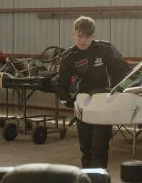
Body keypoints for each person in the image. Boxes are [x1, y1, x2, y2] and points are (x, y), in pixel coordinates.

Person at [56, 16, 131, 169]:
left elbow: (122, 73)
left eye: (88, 36)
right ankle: (86, 180)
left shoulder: (105, 49)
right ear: (73, 35)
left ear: (93, 36)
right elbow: (60, 81)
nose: (83, 40)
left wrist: (117, 96)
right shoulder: (68, 57)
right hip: (82, 105)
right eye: (80, 36)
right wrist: (68, 100)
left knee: (100, 147)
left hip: (104, 104)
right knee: (85, 148)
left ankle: (99, 181)